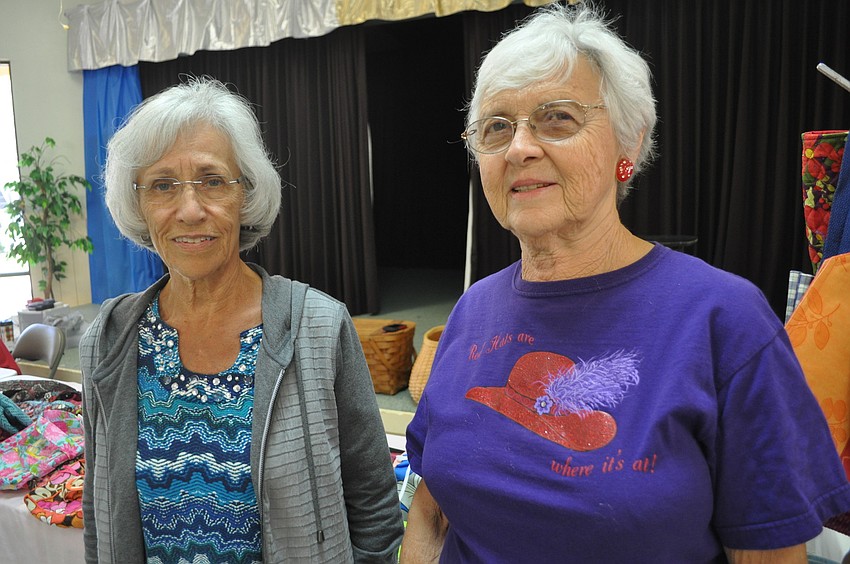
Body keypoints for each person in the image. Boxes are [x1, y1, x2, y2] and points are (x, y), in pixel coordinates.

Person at [401, 4, 850, 563]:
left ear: (629, 146)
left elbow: (767, 555)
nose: (519, 147)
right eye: (497, 127)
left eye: (556, 117)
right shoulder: (473, 310)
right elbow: (430, 511)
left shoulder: (725, 320)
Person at [80, 77, 403, 563]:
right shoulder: (108, 340)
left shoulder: (319, 326)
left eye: (212, 180)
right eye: (162, 185)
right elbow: (97, 511)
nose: (189, 210)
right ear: (139, 205)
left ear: (245, 194)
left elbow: (375, 507)